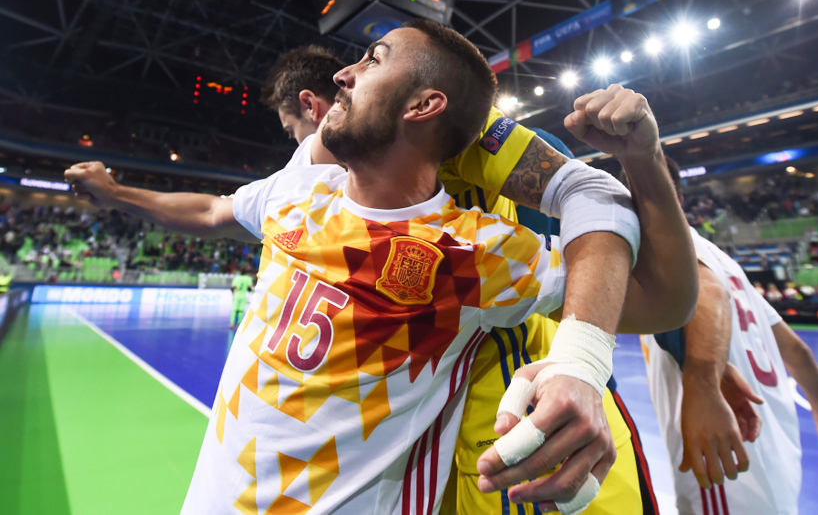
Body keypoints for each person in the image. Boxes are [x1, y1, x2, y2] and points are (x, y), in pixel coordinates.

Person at [65, 28, 697, 513]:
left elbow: (637, 260)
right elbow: (211, 208)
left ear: (424, 104)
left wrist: (643, 159)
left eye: (371, 60)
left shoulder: (473, 246)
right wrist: (117, 193)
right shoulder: (298, 193)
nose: (343, 75)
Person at [641, 157, 818, 515]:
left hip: (726, 453)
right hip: (777, 453)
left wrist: (704, 385)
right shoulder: (726, 261)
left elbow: (709, 295)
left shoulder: (666, 259)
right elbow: (796, 349)